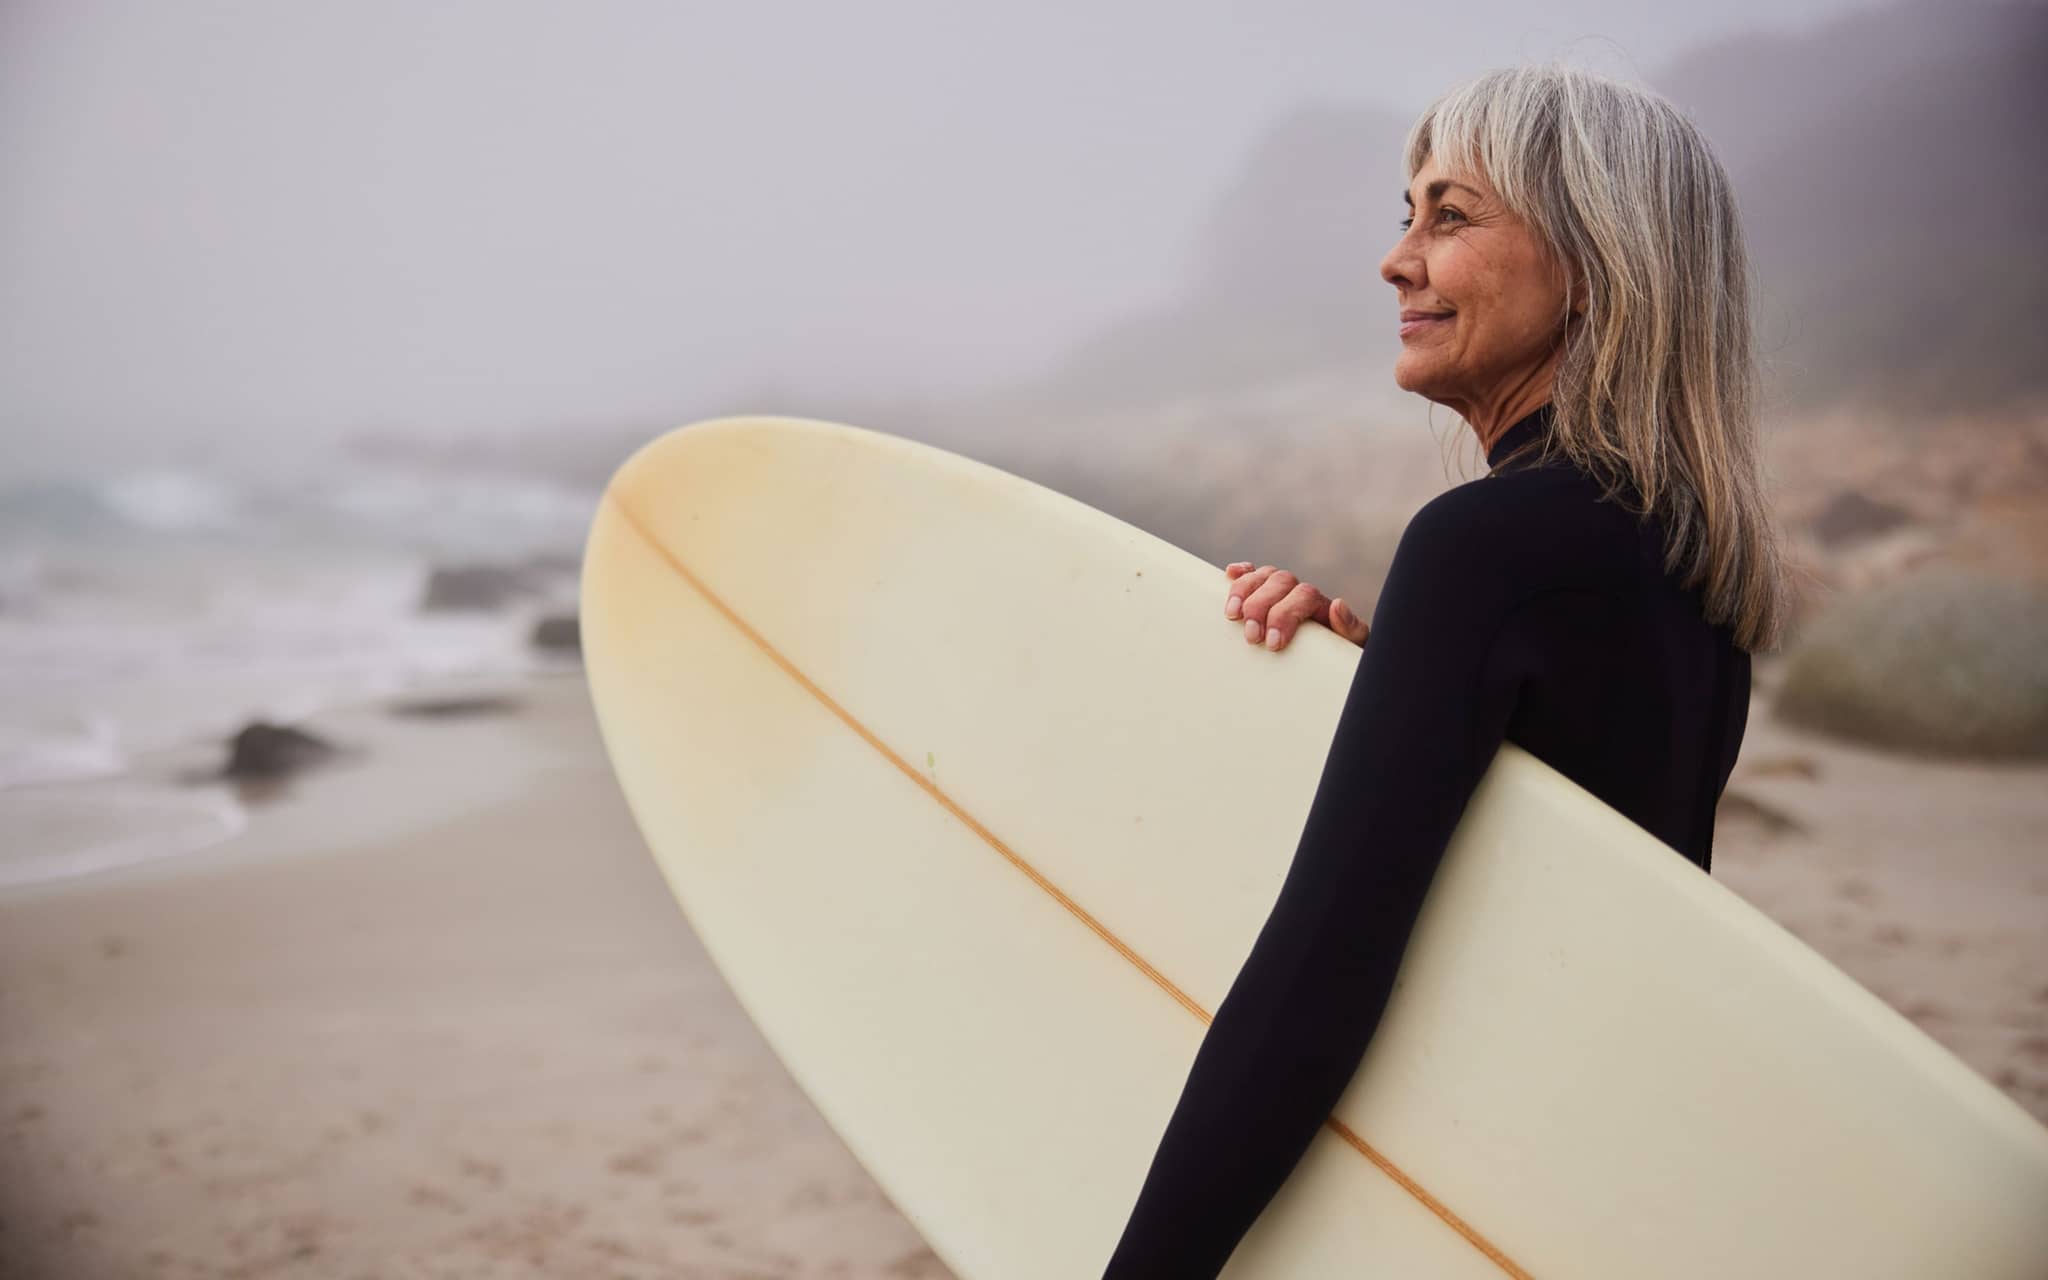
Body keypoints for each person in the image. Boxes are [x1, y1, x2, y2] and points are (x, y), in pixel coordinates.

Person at [1101, 63, 1791, 1277]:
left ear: (1595, 263)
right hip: (1569, 1194)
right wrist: (1387, 687)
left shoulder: (1486, 548)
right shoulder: (1686, 563)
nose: (1395, 260)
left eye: (1450, 216)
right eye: (1405, 214)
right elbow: (1566, 877)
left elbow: (1316, 979)